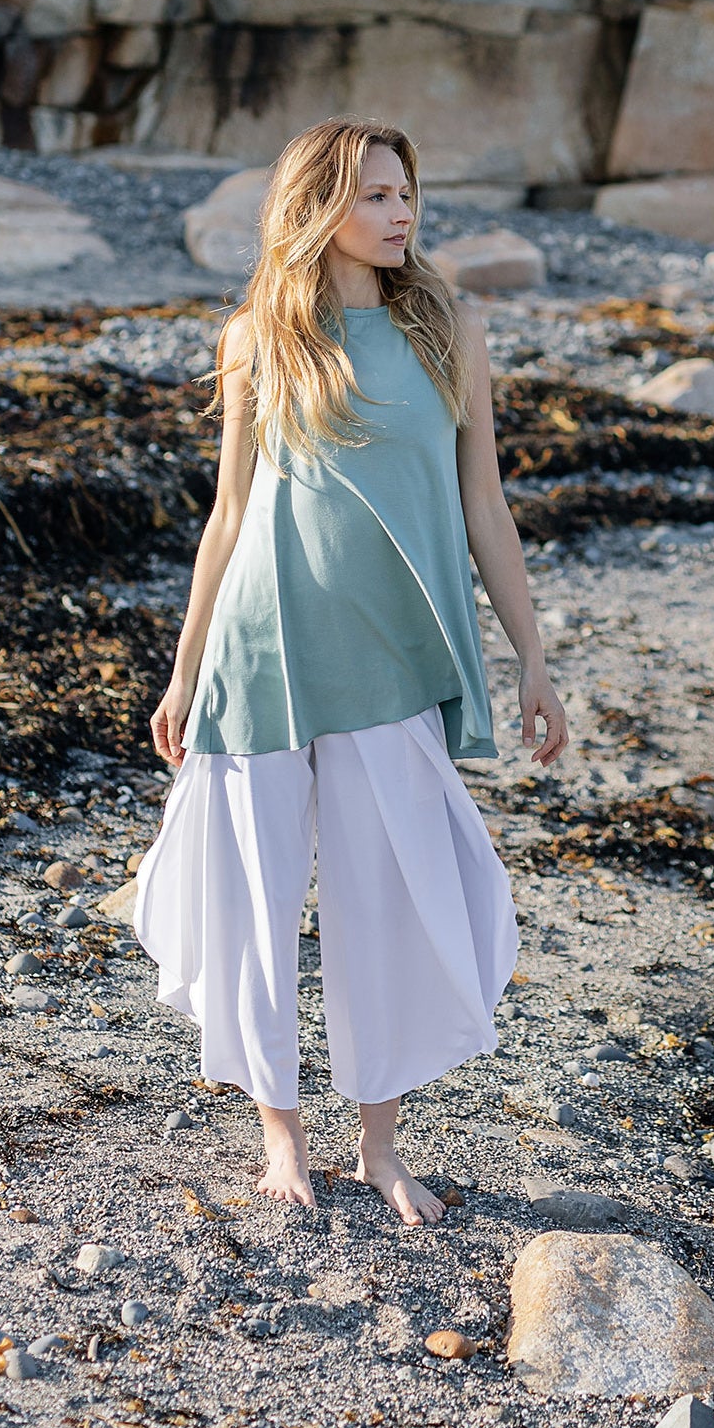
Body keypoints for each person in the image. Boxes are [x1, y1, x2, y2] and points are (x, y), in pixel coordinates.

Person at [133, 116, 568, 1227]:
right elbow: (229, 515)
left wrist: (533, 660)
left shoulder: (446, 329)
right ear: (320, 207)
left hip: (389, 659)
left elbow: (485, 505)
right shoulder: (257, 341)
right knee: (258, 902)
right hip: (262, 653)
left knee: (397, 897)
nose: (401, 210)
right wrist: (184, 672)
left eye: (405, 191)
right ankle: (282, 1137)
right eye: (375, 194)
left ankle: (378, 1145)